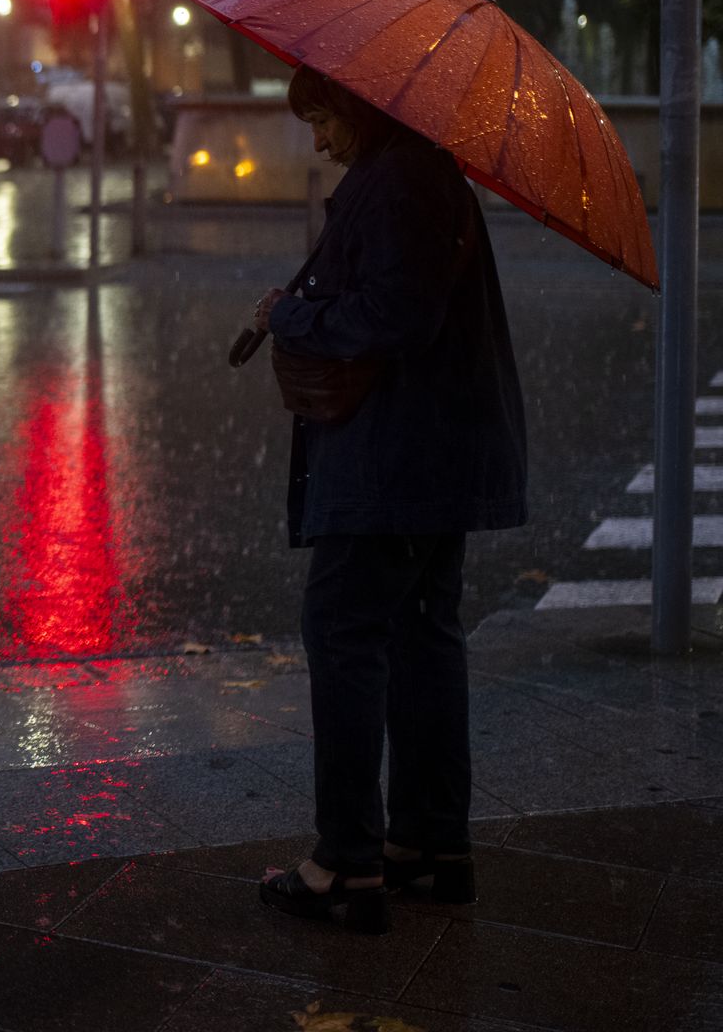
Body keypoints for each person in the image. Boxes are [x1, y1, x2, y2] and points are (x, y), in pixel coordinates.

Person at [250, 66, 527, 935]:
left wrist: (293, 318)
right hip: (433, 451)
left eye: (324, 118)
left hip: (393, 458)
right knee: (421, 637)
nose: (320, 140)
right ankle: (429, 845)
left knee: (345, 632)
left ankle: (345, 862)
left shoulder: (402, 179)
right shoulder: (419, 172)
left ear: (361, 106)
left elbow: (392, 317)